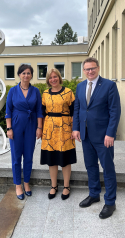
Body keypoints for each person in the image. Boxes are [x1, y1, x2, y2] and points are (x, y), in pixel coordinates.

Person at [73, 57, 121, 219]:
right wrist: (76, 129)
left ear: (98, 68)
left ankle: (110, 202)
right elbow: (77, 109)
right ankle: (94, 194)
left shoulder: (109, 85)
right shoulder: (80, 87)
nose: (90, 71)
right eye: (87, 69)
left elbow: (115, 111)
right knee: (90, 166)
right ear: (84, 71)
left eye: (93, 68)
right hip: (85, 134)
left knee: (107, 168)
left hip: (103, 136)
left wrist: (110, 133)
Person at [5, 64, 43, 200]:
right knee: (16, 157)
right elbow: (8, 110)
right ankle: (17, 185)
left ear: (31, 75)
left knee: (28, 156)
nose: (26, 75)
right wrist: (9, 128)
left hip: (31, 125)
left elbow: (39, 110)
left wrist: (39, 128)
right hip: (16, 125)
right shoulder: (12, 91)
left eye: (28, 73)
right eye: (23, 73)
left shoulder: (36, 91)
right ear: (19, 75)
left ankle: (26, 183)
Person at [40, 68, 76, 200]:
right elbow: (42, 113)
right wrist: (42, 129)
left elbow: (74, 112)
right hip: (49, 129)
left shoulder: (68, 92)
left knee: (65, 159)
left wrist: (74, 129)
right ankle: (53, 186)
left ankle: (66, 186)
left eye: (55, 77)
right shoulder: (45, 94)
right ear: (48, 80)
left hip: (65, 129)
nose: (53, 79)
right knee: (51, 159)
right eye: (50, 77)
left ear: (59, 78)